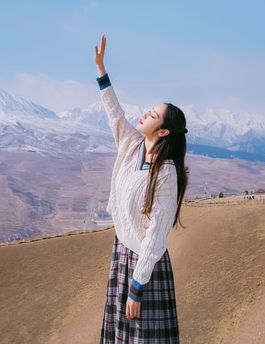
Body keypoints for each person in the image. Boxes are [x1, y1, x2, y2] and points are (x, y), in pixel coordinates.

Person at [95, 35, 188, 344]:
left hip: (144, 265)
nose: (145, 114)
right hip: (122, 253)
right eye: (149, 109)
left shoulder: (166, 173)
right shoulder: (131, 143)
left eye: (152, 115)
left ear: (162, 131)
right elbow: (115, 114)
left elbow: (156, 235)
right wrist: (101, 70)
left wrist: (137, 287)